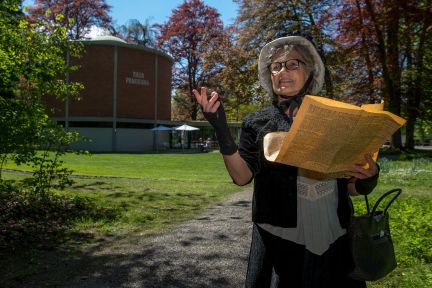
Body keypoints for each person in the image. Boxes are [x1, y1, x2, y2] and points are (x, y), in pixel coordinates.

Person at [193, 36, 379, 288]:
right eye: (276, 66)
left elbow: (349, 188)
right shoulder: (257, 122)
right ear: (269, 76)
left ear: (309, 71)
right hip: (280, 243)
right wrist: (221, 129)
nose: (283, 71)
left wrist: (368, 178)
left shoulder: (334, 118)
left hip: (334, 241)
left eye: (293, 64)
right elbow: (241, 177)